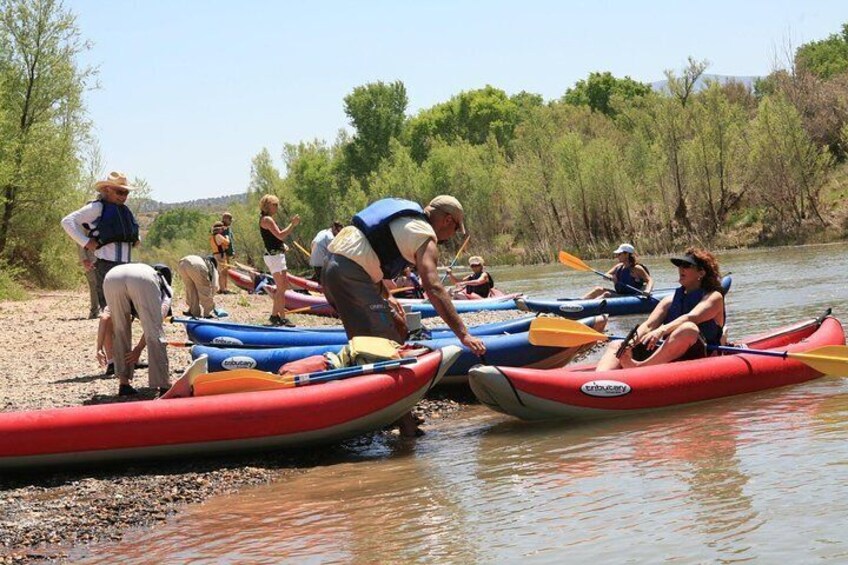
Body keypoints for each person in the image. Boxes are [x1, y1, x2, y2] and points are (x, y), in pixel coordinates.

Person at [322, 195, 487, 437]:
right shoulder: (425, 235)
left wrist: (387, 295)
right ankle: (403, 424)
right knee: (382, 346)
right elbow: (433, 286)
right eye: (454, 229)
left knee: (396, 330)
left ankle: (398, 413)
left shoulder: (408, 222)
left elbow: (367, 250)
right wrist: (463, 334)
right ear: (447, 220)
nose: (451, 236)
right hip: (349, 275)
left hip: (334, 270)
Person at [595, 248, 725, 371]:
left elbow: (691, 317)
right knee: (616, 345)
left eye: (686, 266)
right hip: (671, 352)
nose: (680, 269)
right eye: (679, 266)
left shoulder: (714, 297)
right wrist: (629, 344)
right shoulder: (669, 300)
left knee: (688, 328)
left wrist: (661, 331)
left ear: (701, 273)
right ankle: (598, 384)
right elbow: (649, 325)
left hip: (700, 353)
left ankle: (640, 369)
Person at [61, 171, 140, 310]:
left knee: (126, 310)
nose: (123, 197)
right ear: (107, 190)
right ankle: (108, 331)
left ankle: (118, 332)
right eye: (119, 192)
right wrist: (85, 242)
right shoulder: (97, 207)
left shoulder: (125, 211)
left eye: (125, 193)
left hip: (127, 266)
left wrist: (137, 239)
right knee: (110, 311)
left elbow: (131, 230)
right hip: (107, 266)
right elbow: (67, 221)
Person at [101, 263, 173, 396]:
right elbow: (154, 326)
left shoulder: (142, 269)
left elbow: (105, 317)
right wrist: (138, 349)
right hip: (141, 279)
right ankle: (163, 384)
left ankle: (124, 384)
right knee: (156, 333)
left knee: (120, 330)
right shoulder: (165, 289)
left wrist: (99, 348)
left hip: (111, 276)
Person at [259, 194, 300, 326]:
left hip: (276, 255)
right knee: (281, 288)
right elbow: (281, 235)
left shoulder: (268, 219)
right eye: (274, 204)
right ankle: (279, 317)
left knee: (282, 287)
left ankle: (276, 316)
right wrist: (292, 225)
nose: (277, 207)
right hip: (274, 257)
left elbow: (274, 239)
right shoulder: (267, 220)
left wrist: (282, 246)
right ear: (267, 206)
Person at [583, 243, 653, 299]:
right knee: (598, 289)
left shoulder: (636, 268)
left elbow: (649, 280)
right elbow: (605, 276)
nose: (617, 256)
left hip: (632, 297)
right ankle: (579, 302)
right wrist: (611, 276)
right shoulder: (618, 266)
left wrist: (647, 290)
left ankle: (587, 308)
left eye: (619, 254)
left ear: (627, 254)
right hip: (621, 295)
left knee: (607, 294)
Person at [177, 255, 227, 319]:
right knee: (204, 289)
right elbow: (215, 286)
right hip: (196, 265)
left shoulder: (202, 259)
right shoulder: (211, 265)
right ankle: (208, 314)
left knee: (191, 289)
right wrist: (211, 298)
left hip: (182, 263)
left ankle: (194, 312)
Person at [77, 243, 100, 319]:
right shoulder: (85, 230)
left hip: (107, 259)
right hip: (91, 260)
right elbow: (80, 241)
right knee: (94, 285)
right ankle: (94, 311)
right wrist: (84, 259)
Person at [210, 221, 232, 294]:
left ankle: (221, 288)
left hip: (216, 255)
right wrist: (227, 237)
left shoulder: (212, 237)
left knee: (220, 272)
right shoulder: (218, 236)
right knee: (223, 272)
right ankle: (223, 289)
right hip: (220, 255)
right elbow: (227, 242)